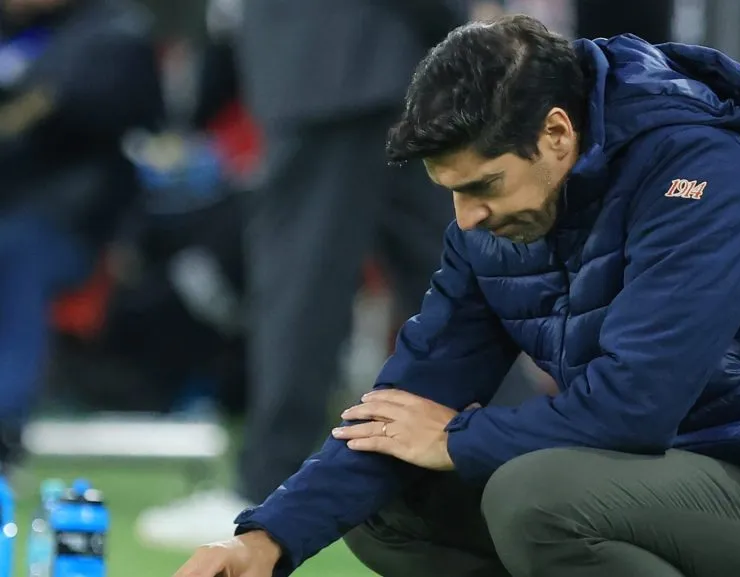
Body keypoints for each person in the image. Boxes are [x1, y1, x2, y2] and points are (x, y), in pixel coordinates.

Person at [173, 15, 740, 577]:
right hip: (648, 486)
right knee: (389, 496)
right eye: (451, 193)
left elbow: (634, 407)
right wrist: (262, 540)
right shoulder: (500, 211)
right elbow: (402, 406)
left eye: (482, 186)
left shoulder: (699, 168)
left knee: (535, 495)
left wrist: (455, 440)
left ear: (557, 133)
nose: (465, 219)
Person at [136, 0, 543, 548]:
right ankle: (530, 457)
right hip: (381, 62)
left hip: (336, 64)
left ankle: (267, 483)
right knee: (448, 272)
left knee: (301, 286)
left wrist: (464, 15)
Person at [0, 0, 163, 469]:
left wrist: (33, 97)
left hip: (74, 224)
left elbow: (98, 109)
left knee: (14, 253)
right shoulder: (17, 33)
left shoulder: (113, 32)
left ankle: (4, 427)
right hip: (17, 213)